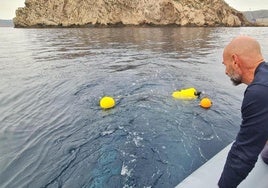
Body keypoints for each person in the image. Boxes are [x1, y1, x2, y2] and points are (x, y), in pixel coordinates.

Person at [219, 35, 268, 188]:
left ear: (235, 60)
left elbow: (243, 153)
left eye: (225, 64)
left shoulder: (259, 92)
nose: (226, 71)